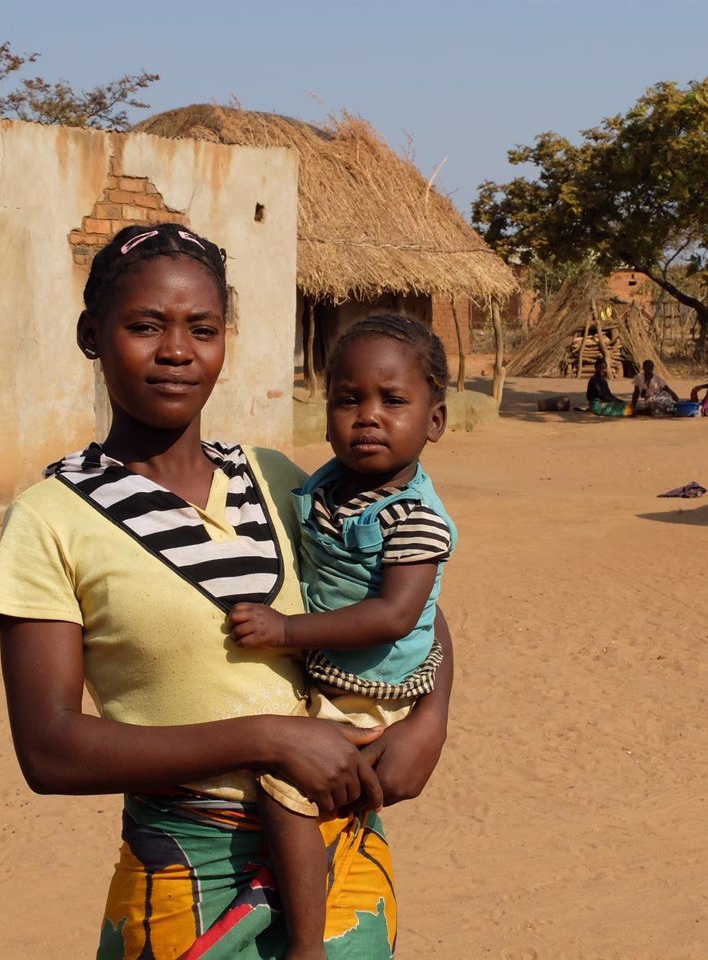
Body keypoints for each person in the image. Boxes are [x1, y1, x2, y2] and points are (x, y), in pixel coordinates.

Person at [0, 223, 452, 960]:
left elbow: (408, 600)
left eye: (202, 328)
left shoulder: (279, 479)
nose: (176, 351)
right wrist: (267, 737)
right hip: (185, 874)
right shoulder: (52, 520)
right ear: (91, 335)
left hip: (342, 862)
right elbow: (49, 750)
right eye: (144, 326)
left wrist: (431, 723)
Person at [228, 314, 454, 960]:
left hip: (373, 685)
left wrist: (286, 631)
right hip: (331, 666)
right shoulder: (325, 487)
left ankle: (306, 940)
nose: (367, 416)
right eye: (348, 399)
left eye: (392, 400)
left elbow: (395, 616)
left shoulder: (414, 517)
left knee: (289, 786)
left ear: (434, 421)